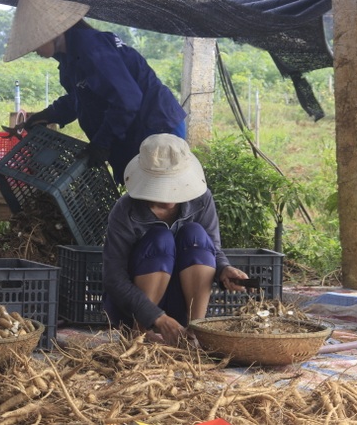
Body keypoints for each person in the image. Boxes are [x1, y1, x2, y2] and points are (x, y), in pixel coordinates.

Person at [3, 0, 187, 186]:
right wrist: (49, 115)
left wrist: (102, 142)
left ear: (53, 32)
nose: (33, 50)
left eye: (33, 41)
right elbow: (81, 97)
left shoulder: (92, 49)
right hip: (136, 126)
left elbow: (127, 101)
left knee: (159, 194)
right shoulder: (69, 59)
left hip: (157, 126)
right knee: (139, 193)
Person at [101, 133, 249, 346]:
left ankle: (195, 331)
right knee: (160, 239)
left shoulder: (202, 200)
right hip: (134, 308)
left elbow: (212, 250)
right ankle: (139, 334)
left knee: (195, 234)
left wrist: (224, 269)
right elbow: (113, 277)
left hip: (183, 298)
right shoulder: (125, 211)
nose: (169, 200)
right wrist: (155, 317)